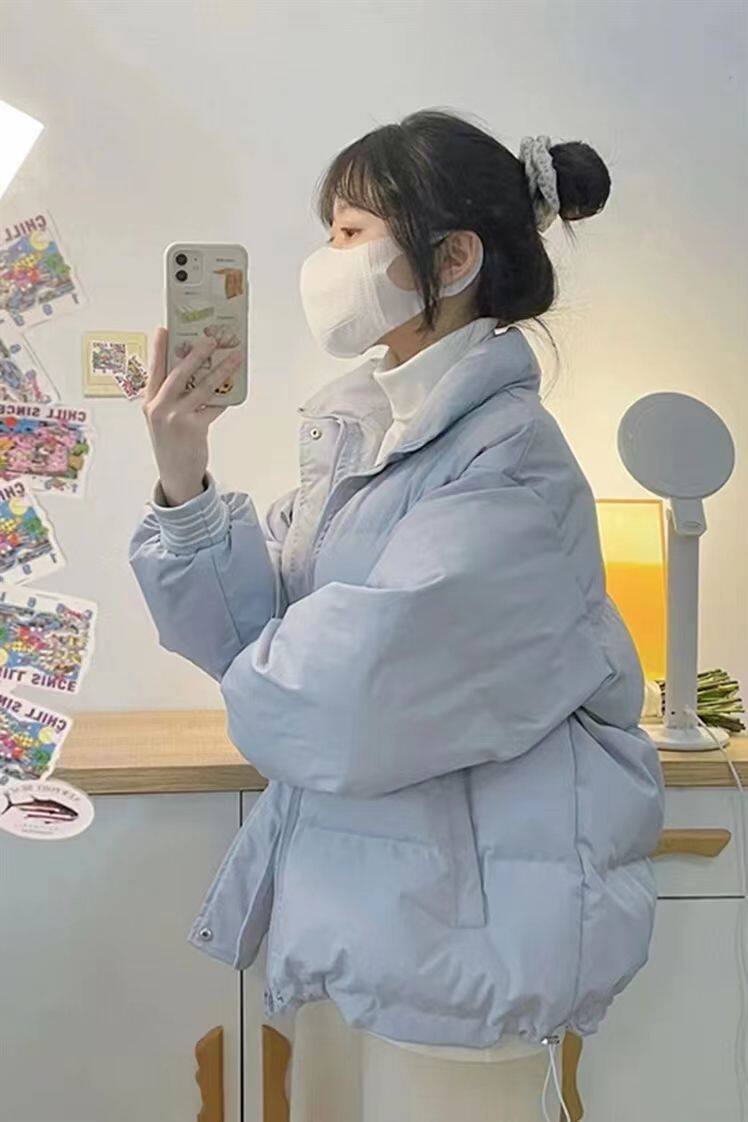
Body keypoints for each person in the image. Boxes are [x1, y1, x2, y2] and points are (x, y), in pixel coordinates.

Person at [129, 109, 665, 1119]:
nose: (324, 261)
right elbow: (251, 639)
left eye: (349, 232)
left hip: (463, 949)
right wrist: (183, 468)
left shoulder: (509, 465)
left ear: (452, 257)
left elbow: (336, 705)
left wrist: (275, 670)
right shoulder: (372, 436)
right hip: (370, 920)